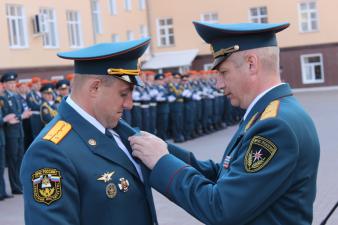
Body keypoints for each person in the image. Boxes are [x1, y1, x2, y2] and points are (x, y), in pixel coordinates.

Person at [129, 22, 320, 225]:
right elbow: (227, 174)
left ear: (251, 64)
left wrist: (161, 163)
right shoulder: (273, 113)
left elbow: (221, 207)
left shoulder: (275, 126)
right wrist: (165, 151)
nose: (219, 84)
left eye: (224, 72)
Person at [20, 38, 158, 225]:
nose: (129, 104)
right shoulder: (50, 152)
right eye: (124, 94)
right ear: (95, 87)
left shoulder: (119, 131)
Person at [1, 71, 31, 195]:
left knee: (19, 159)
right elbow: (9, 115)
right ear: (4, 85)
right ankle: (15, 187)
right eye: (10, 83)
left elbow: (17, 114)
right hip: (10, 134)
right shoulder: (3, 98)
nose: (13, 85)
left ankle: (19, 185)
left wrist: (21, 116)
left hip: (19, 132)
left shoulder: (16, 96)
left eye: (14, 82)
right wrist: (22, 116)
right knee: (13, 160)